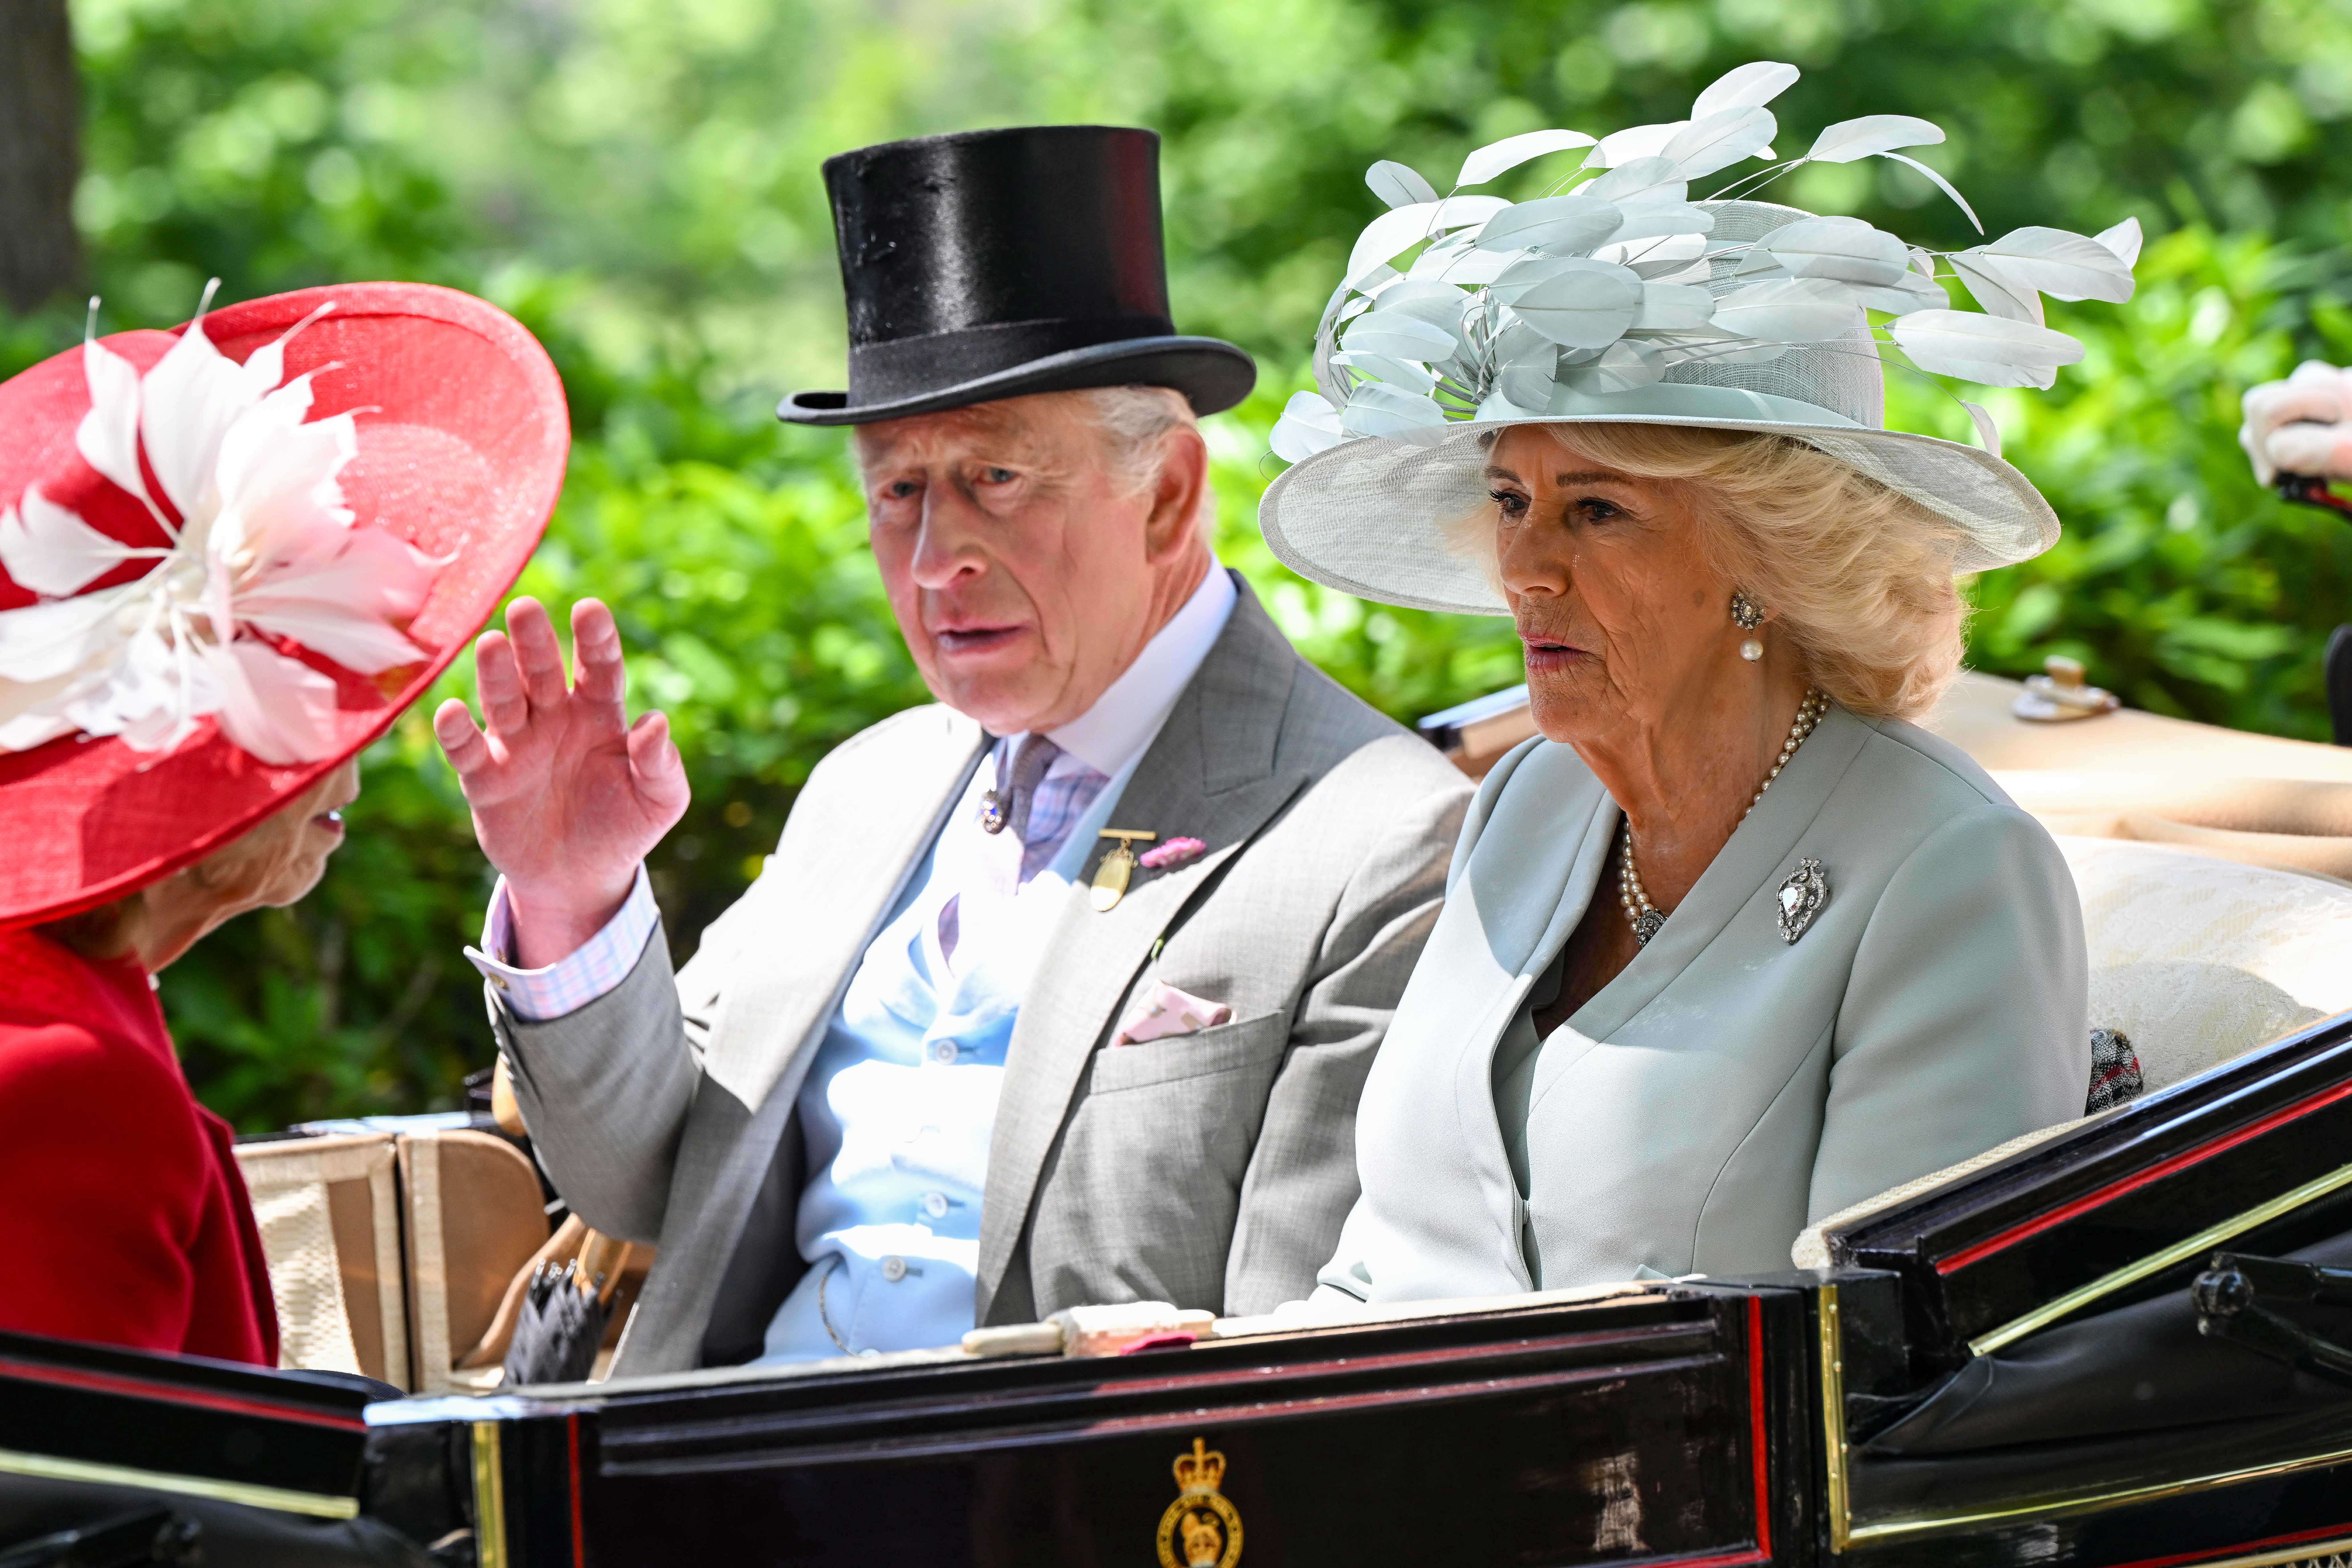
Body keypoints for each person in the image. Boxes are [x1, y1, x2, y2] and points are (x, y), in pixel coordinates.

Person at [436, 126, 1471, 1377]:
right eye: (899, 491)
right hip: (722, 1482)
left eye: (996, 476)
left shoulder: (1378, 836)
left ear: (1167, 496)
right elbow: (647, 1182)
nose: (935, 562)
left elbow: (1290, 1371)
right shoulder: (864, 789)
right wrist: (572, 895)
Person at [1256, 68, 2125, 1302]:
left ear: (1766, 562)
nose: (1527, 573)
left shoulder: (1952, 869)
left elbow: (1882, 1377)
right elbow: (1384, 1267)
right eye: (1511, 501)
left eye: (1598, 509)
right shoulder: (1532, 803)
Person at [0, 281, 566, 1359]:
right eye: (315, 675)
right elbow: (103, 1511)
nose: (356, 737)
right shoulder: (68, 1084)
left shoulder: (69, 1011)